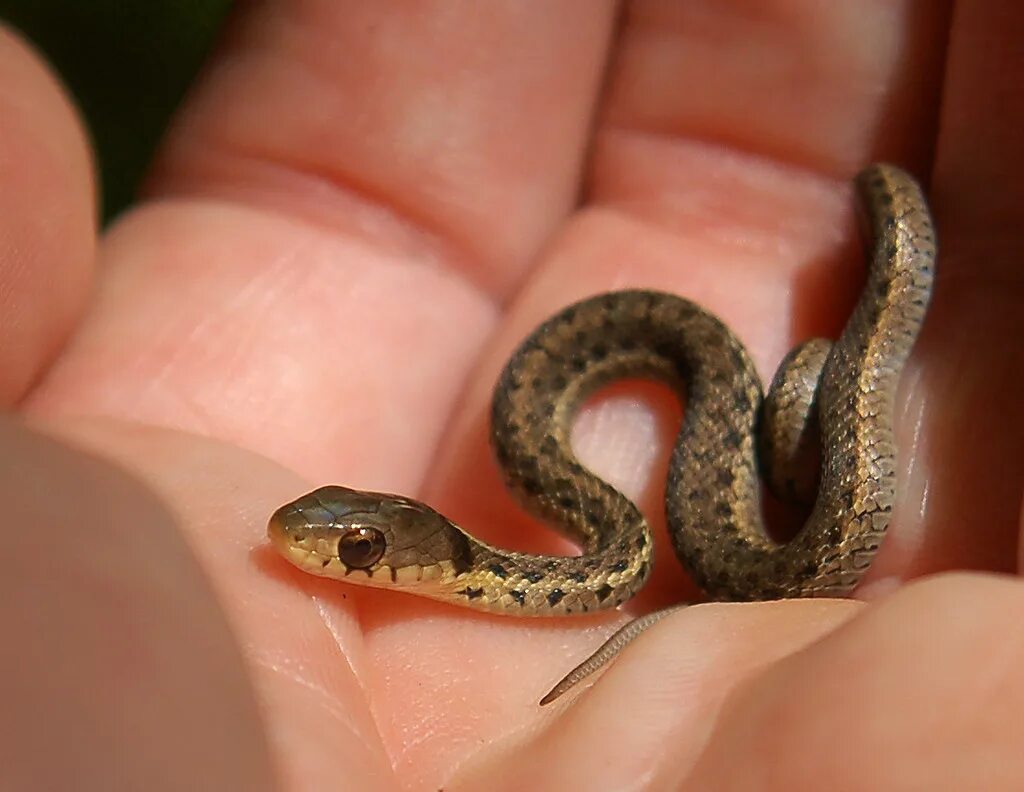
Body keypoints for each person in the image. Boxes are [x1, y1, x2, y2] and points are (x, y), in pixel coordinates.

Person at [2, 3, 1021, 789]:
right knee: (801, 392)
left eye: (360, 550)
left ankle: (830, 357)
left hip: (765, 480)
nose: (335, 553)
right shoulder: (585, 537)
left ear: (421, 553)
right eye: (356, 542)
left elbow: (627, 560)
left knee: (813, 381)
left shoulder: (612, 545)